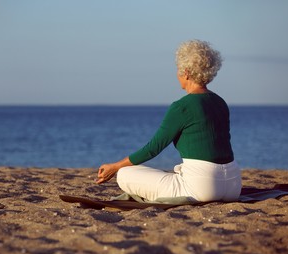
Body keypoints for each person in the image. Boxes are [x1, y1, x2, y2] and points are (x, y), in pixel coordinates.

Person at [96, 39, 242, 203]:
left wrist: (115, 166)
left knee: (124, 174)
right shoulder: (220, 102)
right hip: (233, 186)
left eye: (178, 71)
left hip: (202, 188)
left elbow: (153, 148)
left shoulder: (182, 107)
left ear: (186, 72)